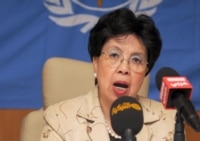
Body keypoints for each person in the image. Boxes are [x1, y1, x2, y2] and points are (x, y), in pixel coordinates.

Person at [40, 8, 176, 141]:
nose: (124, 68)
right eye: (114, 55)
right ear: (95, 62)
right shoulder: (60, 120)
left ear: (146, 71)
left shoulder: (167, 121)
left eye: (136, 60)